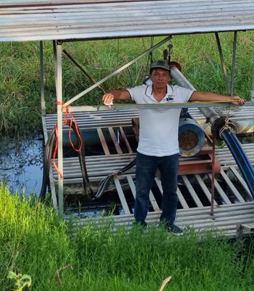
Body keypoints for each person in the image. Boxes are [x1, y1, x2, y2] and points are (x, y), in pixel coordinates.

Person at [102, 59, 244, 233]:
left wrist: (229, 99)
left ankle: (168, 223)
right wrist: (111, 95)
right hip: (146, 152)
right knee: (142, 191)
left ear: (169, 77)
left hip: (170, 153)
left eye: (164, 74)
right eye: (156, 74)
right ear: (151, 76)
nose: (160, 78)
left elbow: (202, 96)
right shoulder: (141, 92)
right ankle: (139, 223)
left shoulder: (178, 93)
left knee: (170, 191)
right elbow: (121, 94)